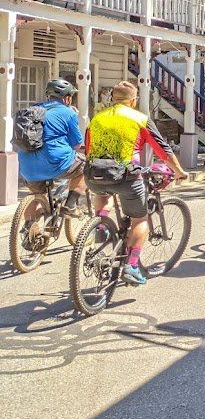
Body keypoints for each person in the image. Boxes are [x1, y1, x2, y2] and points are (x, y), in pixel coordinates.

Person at [85, 81, 188, 284]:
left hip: (94, 174)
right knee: (139, 220)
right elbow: (162, 150)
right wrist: (179, 171)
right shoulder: (140, 118)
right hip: (126, 176)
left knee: (103, 191)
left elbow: (88, 148)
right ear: (133, 100)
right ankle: (131, 266)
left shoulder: (97, 118)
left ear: (113, 99)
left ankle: (101, 224)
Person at [16, 78, 87, 216]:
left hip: (27, 167)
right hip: (56, 163)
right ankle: (70, 206)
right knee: (84, 167)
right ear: (67, 98)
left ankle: (29, 230)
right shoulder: (69, 113)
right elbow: (77, 144)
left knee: (37, 196)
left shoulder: (33, 109)